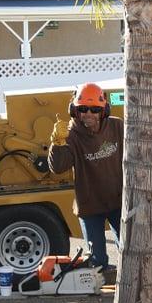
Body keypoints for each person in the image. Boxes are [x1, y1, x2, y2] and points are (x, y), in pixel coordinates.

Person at [48, 82, 123, 274]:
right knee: (97, 262)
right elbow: (58, 167)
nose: (88, 114)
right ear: (74, 111)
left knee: (129, 249)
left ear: (103, 110)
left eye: (94, 109)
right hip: (90, 206)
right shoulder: (71, 136)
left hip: (118, 201)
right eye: (83, 109)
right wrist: (57, 144)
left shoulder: (117, 126)